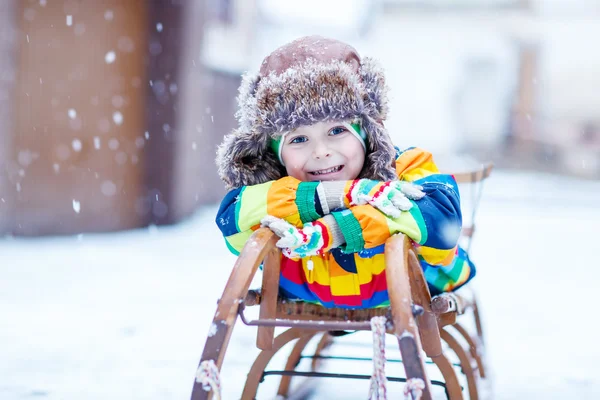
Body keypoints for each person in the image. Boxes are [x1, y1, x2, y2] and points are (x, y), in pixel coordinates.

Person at [214, 35, 475, 309]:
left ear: (367, 134)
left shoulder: (406, 165)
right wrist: (342, 194)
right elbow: (231, 226)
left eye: (337, 130)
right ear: (275, 154)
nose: (320, 151)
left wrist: (337, 230)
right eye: (298, 139)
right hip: (315, 292)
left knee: (418, 217)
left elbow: (442, 216)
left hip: (410, 286)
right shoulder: (274, 188)